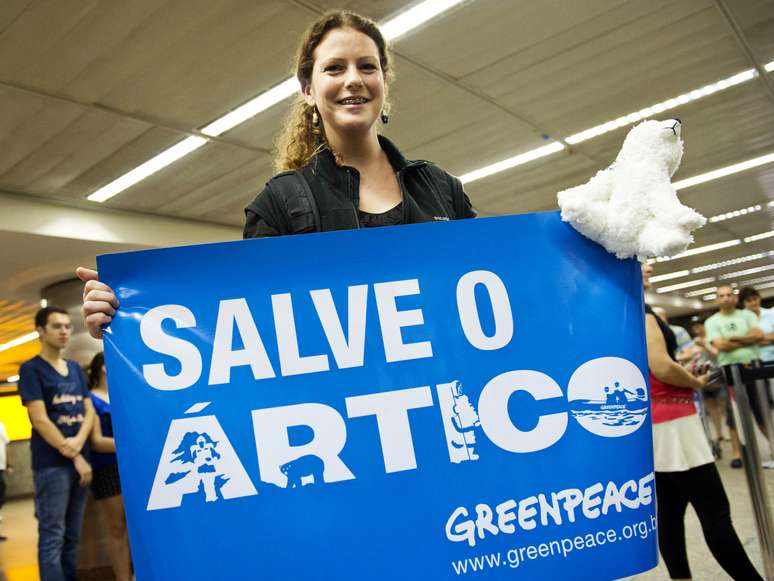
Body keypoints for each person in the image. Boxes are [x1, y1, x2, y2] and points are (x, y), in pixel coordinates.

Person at [76, 10, 475, 337]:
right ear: (308, 89)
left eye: (367, 66)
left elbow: (495, 280)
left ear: (384, 83)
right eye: (334, 68)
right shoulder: (280, 204)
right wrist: (127, 313)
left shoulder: (440, 188)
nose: (353, 78)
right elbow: (248, 325)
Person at [642, 264, 762, 581]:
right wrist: (696, 384)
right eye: (639, 259)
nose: (648, 266)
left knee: (670, 510)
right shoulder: (641, 310)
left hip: (655, 421)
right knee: (716, 513)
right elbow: (660, 366)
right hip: (674, 422)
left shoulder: (618, 307)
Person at [18, 306, 95, 581]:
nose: (64, 331)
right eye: (56, 326)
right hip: (52, 465)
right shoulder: (31, 370)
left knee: (72, 537)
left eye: (67, 326)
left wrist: (79, 445)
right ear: (40, 330)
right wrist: (75, 454)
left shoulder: (74, 369)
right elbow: (40, 420)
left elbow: (89, 412)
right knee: (53, 536)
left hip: (81, 461)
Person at [705, 285, 764, 468]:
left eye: (729, 295)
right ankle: (737, 454)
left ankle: (771, 448)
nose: (726, 298)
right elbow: (720, 345)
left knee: (761, 410)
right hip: (729, 371)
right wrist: (745, 338)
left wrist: (732, 339)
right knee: (733, 415)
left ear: (735, 298)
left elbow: (759, 335)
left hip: (753, 367)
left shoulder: (747, 315)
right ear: (717, 299)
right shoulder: (712, 322)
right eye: (721, 295)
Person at [87, 352, 132, 581]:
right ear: (102, 367)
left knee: (136, 527)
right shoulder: (91, 399)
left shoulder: (123, 394)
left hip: (132, 467)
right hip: (107, 468)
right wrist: (130, 446)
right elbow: (96, 441)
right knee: (117, 528)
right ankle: (123, 577)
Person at [739, 286, 774, 364]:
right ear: (743, 303)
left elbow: (748, 340)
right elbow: (742, 342)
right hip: (753, 361)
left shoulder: (771, 313)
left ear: (759, 298)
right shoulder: (739, 319)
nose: (753, 303)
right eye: (749, 301)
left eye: (755, 299)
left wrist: (754, 339)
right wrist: (769, 338)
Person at [0, 419, 11, 542]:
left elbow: (6, 445)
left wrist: (9, 464)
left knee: (1, 497)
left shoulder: (1, 425)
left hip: (1, 466)